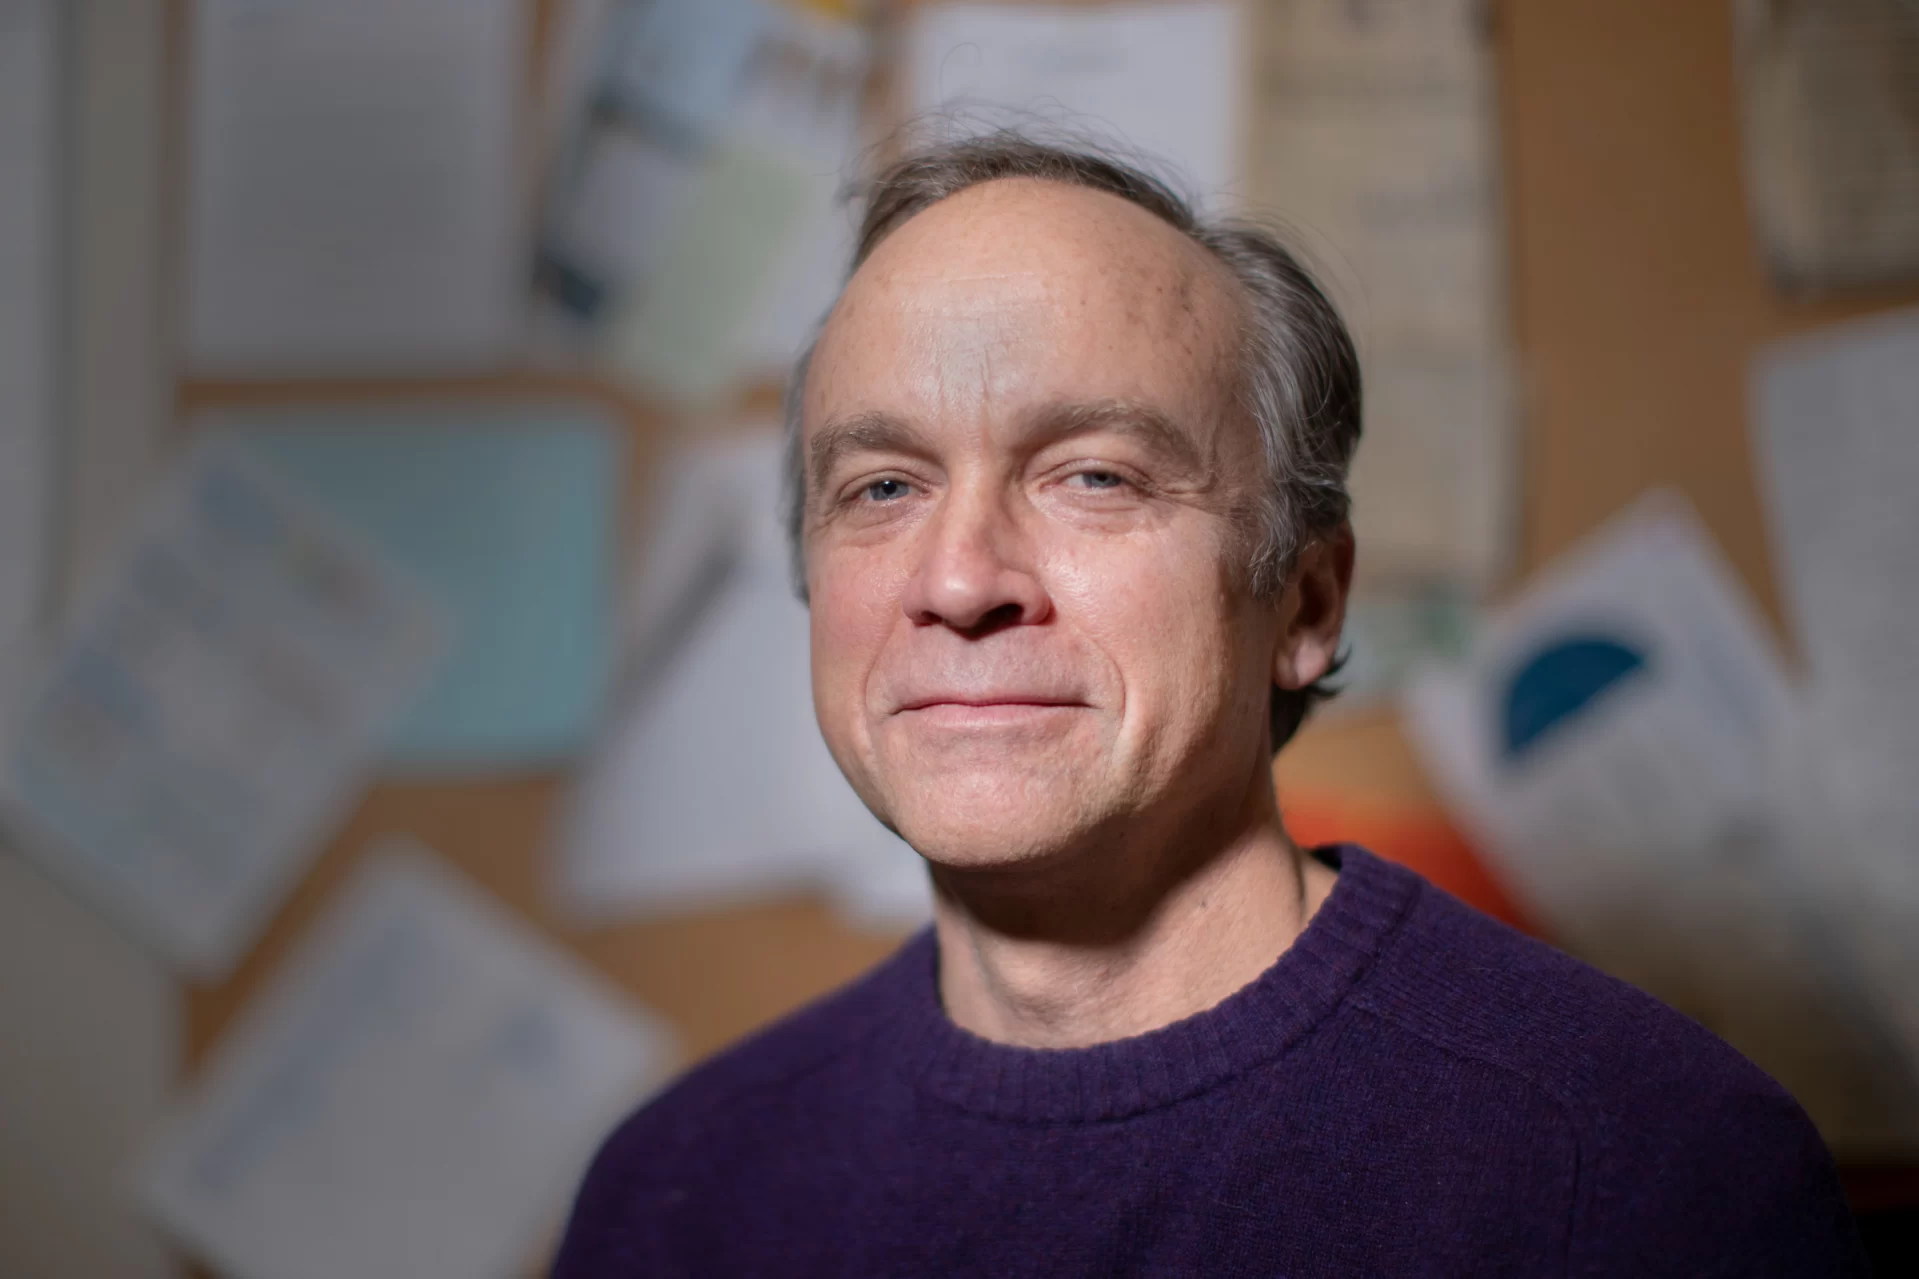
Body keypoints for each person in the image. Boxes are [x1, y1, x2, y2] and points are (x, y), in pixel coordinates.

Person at [552, 135, 1867, 1277]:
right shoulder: (676, 1196)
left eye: (1094, 475)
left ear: (1302, 602)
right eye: (882, 486)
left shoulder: (1642, 1177)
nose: (956, 580)